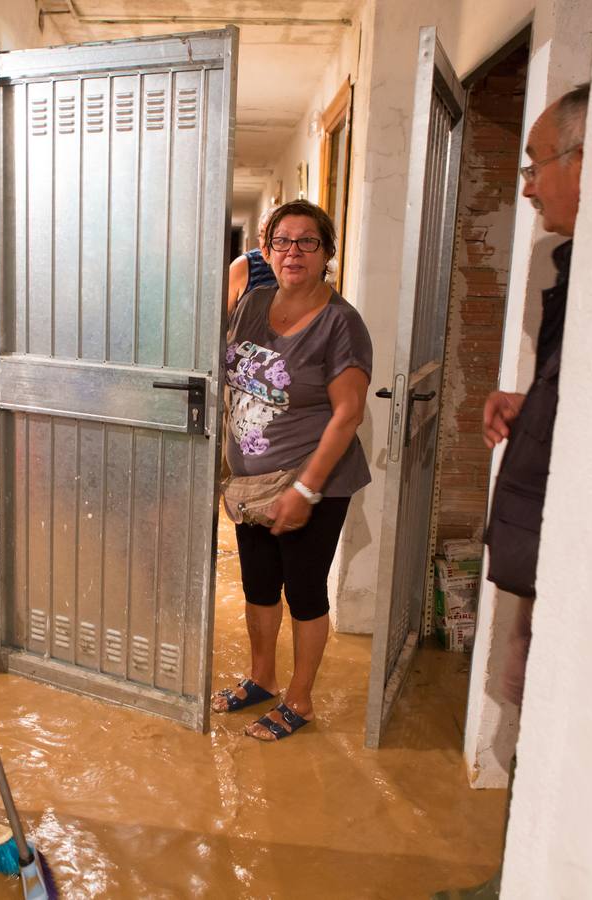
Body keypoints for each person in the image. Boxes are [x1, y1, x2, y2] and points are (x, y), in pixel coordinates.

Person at [436, 84, 589, 900]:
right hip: (543, 541)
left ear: (584, 160)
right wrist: (535, 403)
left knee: (549, 713)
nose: (527, 183)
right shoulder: (584, 268)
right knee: (530, 698)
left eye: (537, 165)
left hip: (570, 552)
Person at [211, 200, 372, 742]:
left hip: (313, 480)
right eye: (282, 241)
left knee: (303, 589)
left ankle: (299, 699)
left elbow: (349, 413)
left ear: (327, 252)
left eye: (308, 242)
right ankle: (262, 678)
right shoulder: (252, 302)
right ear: (265, 249)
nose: (293, 252)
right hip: (253, 481)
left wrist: (306, 488)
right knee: (258, 584)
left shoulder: (340, 323)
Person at [226, 208, 278, 313]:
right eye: (262, 235)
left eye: (274, 236)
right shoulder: (243, 266)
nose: (265, 244)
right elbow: (220, 322)